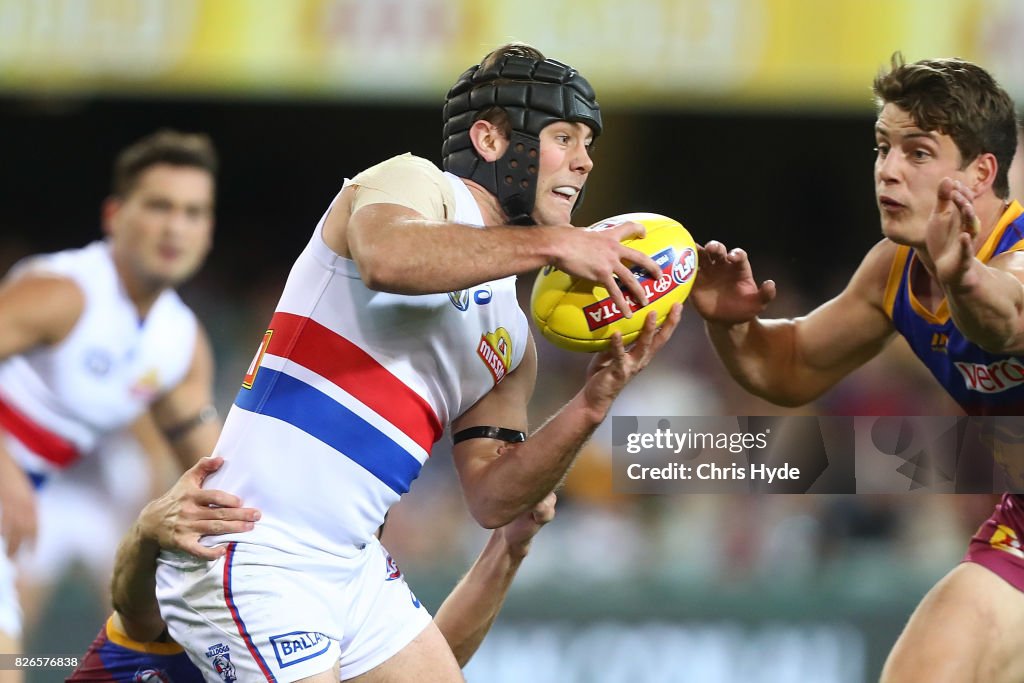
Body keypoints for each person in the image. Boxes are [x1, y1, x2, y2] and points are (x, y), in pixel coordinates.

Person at [156, 41, 681, 683]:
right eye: (565, 137)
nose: (586, 160)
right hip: (255, 547)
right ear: (488, 139)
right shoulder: (411, 182)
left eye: (589, 144)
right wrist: (556, 243)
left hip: (352, 567)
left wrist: (593, 404)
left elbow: (494, 497)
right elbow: (389, 259)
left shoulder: (513, 337)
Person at [690, 54, 1024, 682]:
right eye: (882, 148)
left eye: (918, 153)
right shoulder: (895, 270)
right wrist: (731, 325)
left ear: (980, 173)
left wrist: (963, 276)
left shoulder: (1014, 255)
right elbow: (788, 370)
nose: (888, 171)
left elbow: (1003, 319)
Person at [0, 130, 222, 679]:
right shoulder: (65, 292)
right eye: (159, 206)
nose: (176, 227)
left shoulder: (179, 342)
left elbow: (218, 470)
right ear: (114, 215)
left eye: (194, 212)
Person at [67, 456, 556, 681]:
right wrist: (145, 529)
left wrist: (508, 547)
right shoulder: (232, 562)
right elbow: (134, 615)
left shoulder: (334, 583)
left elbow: (420, 657)